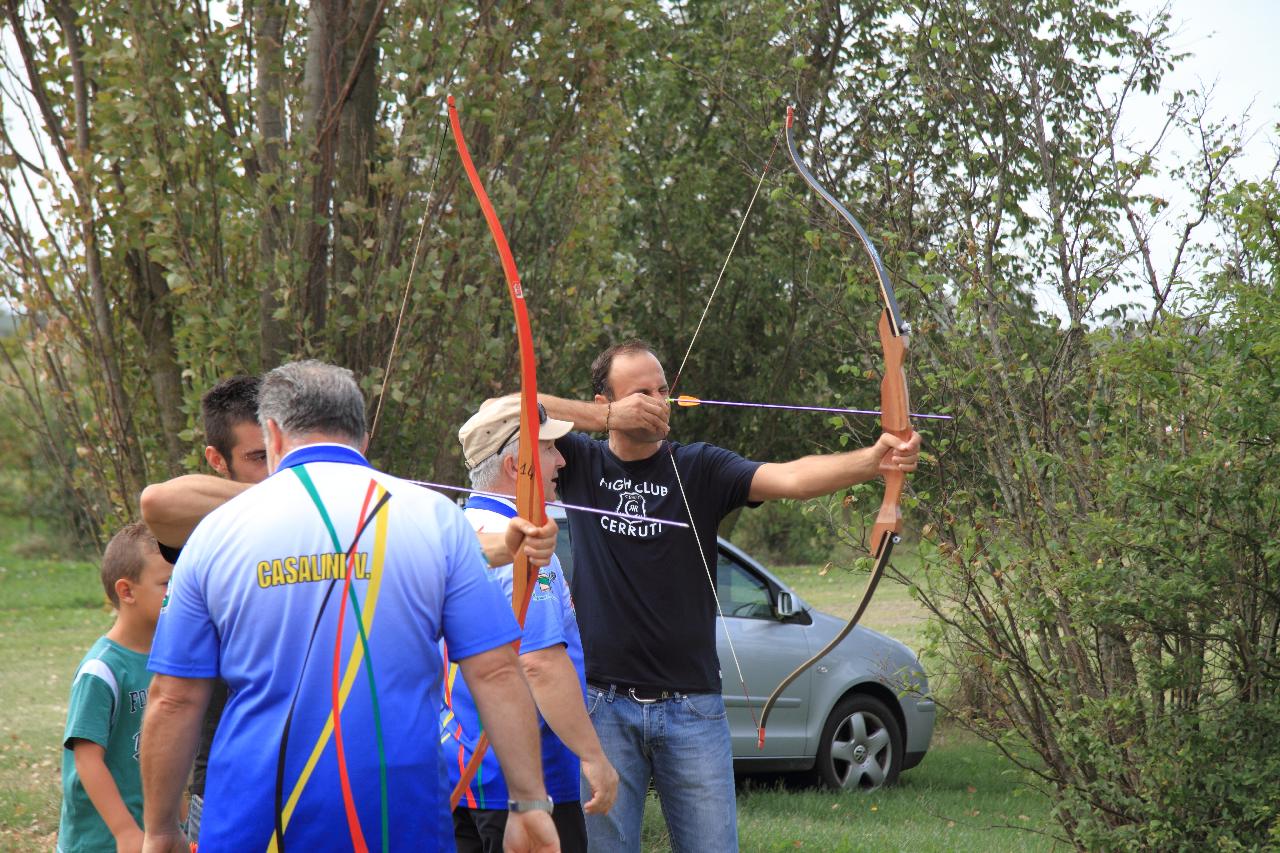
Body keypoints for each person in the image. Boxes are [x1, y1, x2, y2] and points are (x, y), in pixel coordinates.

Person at [141, 360, 559, 852]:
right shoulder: (437, 518)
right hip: (399, 813)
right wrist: (529, 803)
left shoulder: (215, 532)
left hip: (255, 816)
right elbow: (496, 671)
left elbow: (172, 698)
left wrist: (161, 831)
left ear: (273, 435)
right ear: (362, 437)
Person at [535, 339, 922, 853]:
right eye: (640, 393)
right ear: (606, 402)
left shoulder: (700, 467)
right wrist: (604, 419)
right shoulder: (579, 461)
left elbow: (792, 478)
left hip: (692, 709)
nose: (658, 400)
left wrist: (875, 460)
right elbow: (509, 408)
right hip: (603, 705)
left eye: (661, 389)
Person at [444, 397, 619, 853]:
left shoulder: (461, 531)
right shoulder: (525, 548)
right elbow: (540, 663)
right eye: (548, 449)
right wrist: (594, 757)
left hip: (463, 774)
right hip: (526, 784)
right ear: (514, 466)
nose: (562, 459)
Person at [138, 375, 266, 841]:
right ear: (217, 460)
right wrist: (305, 495)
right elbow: (157, 500)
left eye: (282, 453)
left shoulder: (338, 518)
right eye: (257, 458)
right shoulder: (207, 521)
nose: (276, 470)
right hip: (223, 772)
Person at [57, 523, 173, 853]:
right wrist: (124, 831)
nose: (179, 592)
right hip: (101, 841)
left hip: (149, 836)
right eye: (167, 583)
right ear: (127, 591)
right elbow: (87, 760)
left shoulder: (166, 659)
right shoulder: (102, 669)